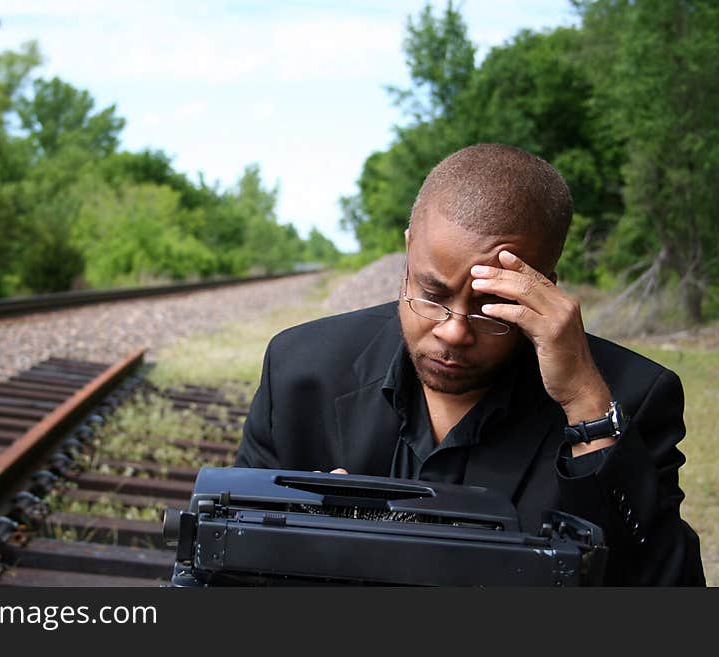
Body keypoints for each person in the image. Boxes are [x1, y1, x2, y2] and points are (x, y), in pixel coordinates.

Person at [235, 143, 705, 586]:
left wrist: (586, 405)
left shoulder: (631, 397)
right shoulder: (299, 371)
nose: (454, 331)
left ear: (543, 285)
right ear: (408, 249)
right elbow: (227, 569)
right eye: (432, 294)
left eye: (489, 306)